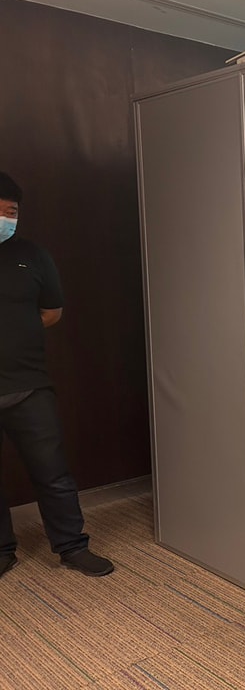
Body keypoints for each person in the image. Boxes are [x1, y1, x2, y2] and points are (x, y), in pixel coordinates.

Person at [0, 171, 114, 578]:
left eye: (11, 212)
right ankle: (2, 551)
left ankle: (72, 547)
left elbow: (52, 312)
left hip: (29, 387)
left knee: (53, 473)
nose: (6, 218)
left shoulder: (32, 255)